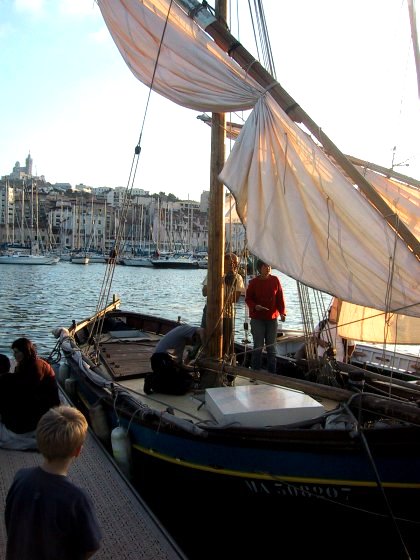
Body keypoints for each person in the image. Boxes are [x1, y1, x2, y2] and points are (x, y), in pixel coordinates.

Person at [5, 405, 102, 560]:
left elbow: (10, 521)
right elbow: (91, 545)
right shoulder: (77, 498)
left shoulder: (20, 478)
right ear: (77, 451)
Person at [0, 338, 60, 439]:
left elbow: (26, 393)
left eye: (16, 352)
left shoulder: (36, 367)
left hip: (45, 411)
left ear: (25, 352)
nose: (14, 355)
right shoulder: (25, 365)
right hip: (37, 405)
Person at [245, 260, 286, 373]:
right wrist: (255, 306)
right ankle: (255, 372)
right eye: (265, 266)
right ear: (259, 268)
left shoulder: (275, 280)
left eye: (269, 266)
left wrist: (282, 313)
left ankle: (272, 374)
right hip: (257, 318)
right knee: (258, 346)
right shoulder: (253, 282)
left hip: (271, 319)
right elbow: (248, 299)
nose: (268, 268)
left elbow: (280, 298)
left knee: (271, 348)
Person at [201, 253, 245, 359]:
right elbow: (204, 292)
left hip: (227, 314)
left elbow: (235, 298)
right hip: (210, 311)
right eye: (230, 262)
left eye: (235, 263)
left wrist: (223, 295)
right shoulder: (213, 274)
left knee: (226, 341)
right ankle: (204, 356)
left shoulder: (238, 278)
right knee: (205, 336)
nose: (233, 265)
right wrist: (217, 283)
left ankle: (223, 360)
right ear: (224, 262)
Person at [145, 324, 205, 395]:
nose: (192, 344)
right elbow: (202, 330)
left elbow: (180, 365)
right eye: (194, 341)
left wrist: (196, 369)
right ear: (193, 335)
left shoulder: (180, 344)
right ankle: (151, 379)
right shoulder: (183, 329)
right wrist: (206, 346)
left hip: (165, 362)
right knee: (178, 388)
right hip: (159, 359)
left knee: (187, 377)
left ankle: (160, 381)